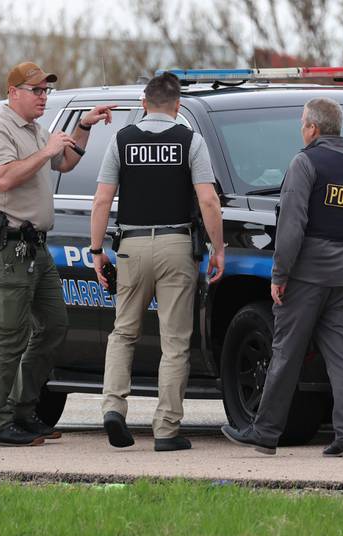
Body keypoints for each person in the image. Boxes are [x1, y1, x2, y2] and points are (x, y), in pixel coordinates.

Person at [221, 97, 343, 458]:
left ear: (313, 128)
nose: (301, 130)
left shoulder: (305, 162)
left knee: (286, 351)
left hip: (308, 275)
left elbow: (292, 225)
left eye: (302, 124)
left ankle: (265, 432)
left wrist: (280, 274)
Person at [0, 62, 116, 446]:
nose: (43, 97)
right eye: (36, 90)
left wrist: (82, 128)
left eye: (46, 91)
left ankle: (23, 410)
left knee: (53, 326)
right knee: (8, 334)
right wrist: (46, 150)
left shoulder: (36, 131)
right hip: (7, 248)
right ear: (13, 92)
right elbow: (2, 177)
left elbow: (65, 162)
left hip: (36, 248)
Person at [90, 72, 224, 452]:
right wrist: (219, 248)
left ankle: (113, 408)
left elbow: (102, 200)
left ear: (144, 104)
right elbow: (208, 200)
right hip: (176, 245)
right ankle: (166, 429)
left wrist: (97, 251)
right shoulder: (190, 141)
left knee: (123, 332)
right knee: (175, 341)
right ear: (178, 107)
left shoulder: (122, 140)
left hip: (131, 246)